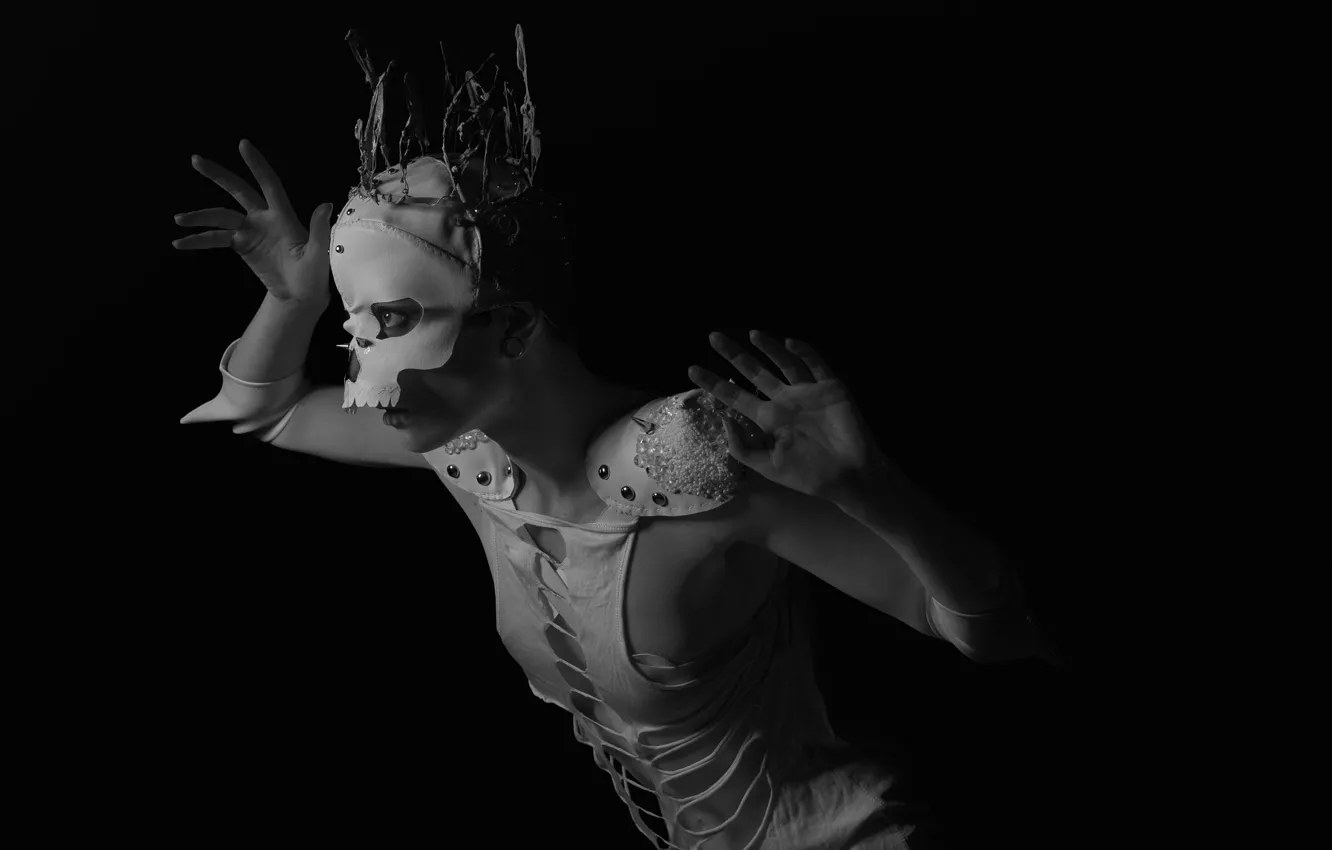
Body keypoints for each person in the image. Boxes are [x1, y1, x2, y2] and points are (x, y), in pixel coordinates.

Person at [174, 26, 1047, 849]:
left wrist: (873, 490)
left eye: (394, 322)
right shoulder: (466, 452)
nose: (366, 375)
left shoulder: (700, 465)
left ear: (517, 327)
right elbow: (268, 411)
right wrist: (290, 300)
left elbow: (988, 630)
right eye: (354, 329)